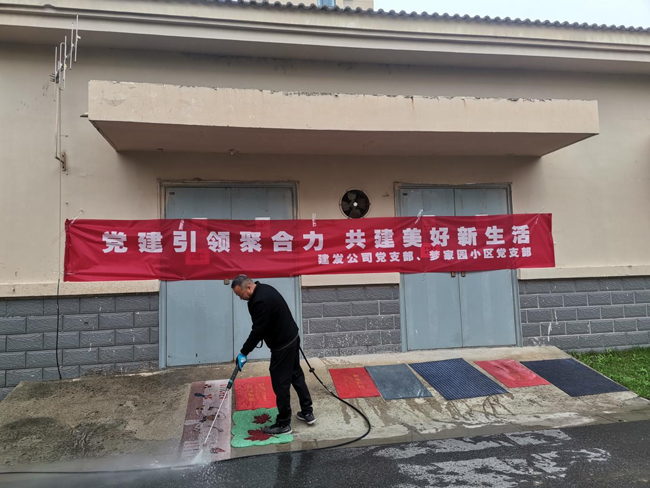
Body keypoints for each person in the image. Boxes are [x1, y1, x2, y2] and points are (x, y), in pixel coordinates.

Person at [231, 275, 315, 435]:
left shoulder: (260, 301)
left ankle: (284, 423)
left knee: (280, 383)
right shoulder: (264, 289)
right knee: (295, 374)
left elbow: (258, 331)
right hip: (292, 337)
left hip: (283, 345)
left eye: (240, 294)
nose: (240, 298)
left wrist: (244, 352)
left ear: (248, 287)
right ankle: (307, 412)